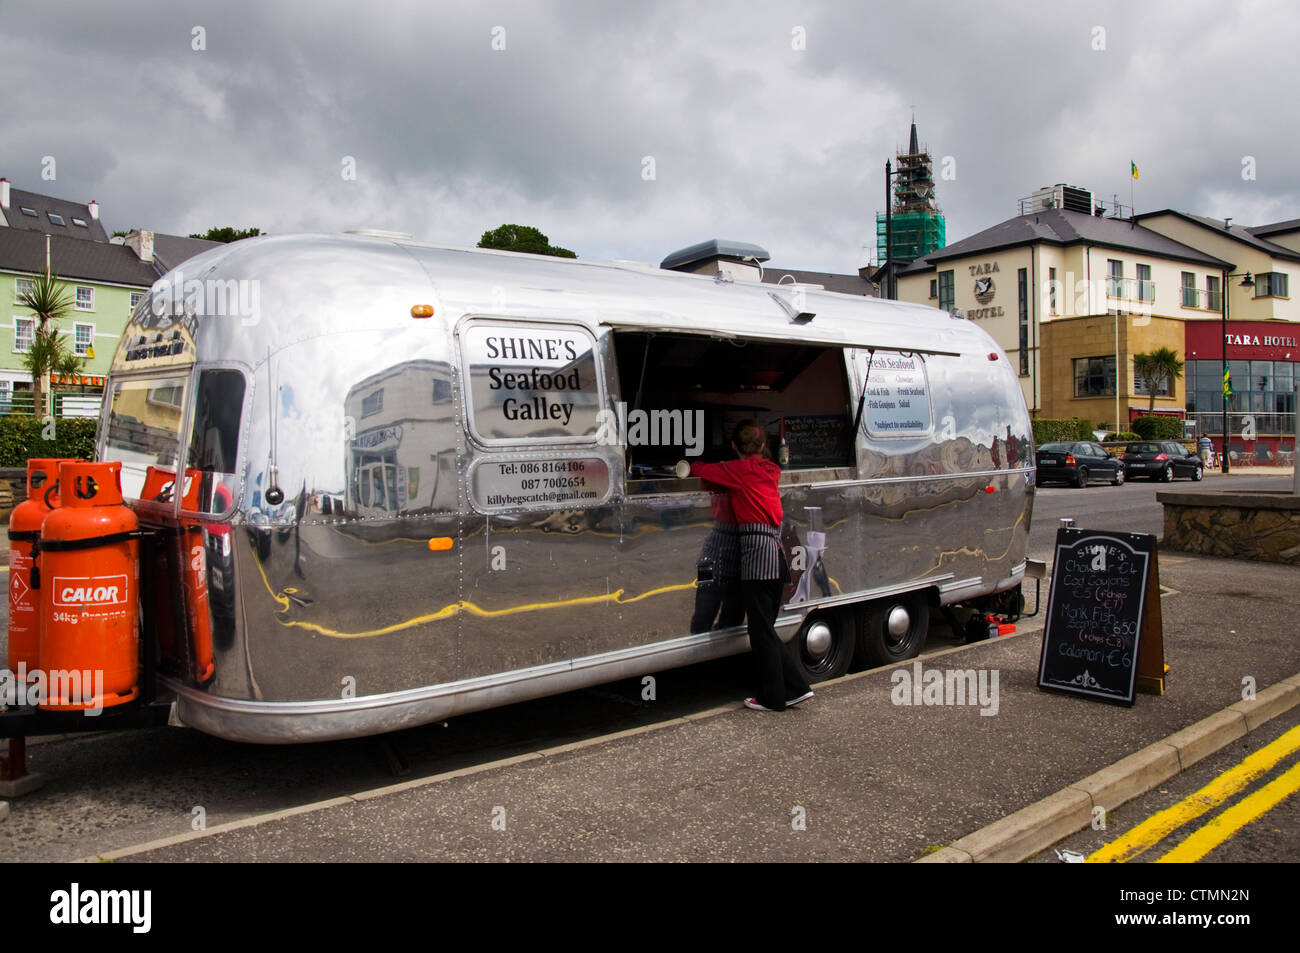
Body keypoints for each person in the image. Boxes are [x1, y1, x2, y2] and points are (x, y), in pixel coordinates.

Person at [685, 421, 813, 712]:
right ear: (763, 446)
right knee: (766, 628)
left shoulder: (739, 471)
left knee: (760, 631)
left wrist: (695, 463)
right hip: (775, 553)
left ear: (734, 447)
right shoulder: (771, 469)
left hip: (757, 557)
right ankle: (795, 688)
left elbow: (699, 470)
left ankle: (773, 698)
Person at [689, 483, 744, 634]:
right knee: (706, 613)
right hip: (714, 553)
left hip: (720, 552)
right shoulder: (728, 473)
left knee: (730, 616)